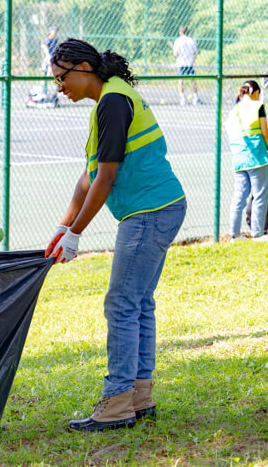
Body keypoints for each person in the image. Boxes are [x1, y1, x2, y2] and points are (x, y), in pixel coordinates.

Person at [45, 39, 186, 432]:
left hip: (149, 212)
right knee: (138, 302)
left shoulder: (111, 102)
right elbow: (89, 175)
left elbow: (105, 180)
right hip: (160, 207)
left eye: (62, 77)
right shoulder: (111, 98)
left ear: (84, 68)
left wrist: (75, 235)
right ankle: (139, 396)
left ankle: (118, 402)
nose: (59, 87)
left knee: (122, 303)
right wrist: (63, 226)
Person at [226, 80, 268, 242]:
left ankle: (234, 235)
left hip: (239, 159)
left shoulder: (233, 111)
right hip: (257, 157)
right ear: (255, 92)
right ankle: (258, 234)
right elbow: (265, 132)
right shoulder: (257, 106)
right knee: (260, 196)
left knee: (239, 197)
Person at [171, 26, 199, 106]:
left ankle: (183, 99)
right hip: (189, 64)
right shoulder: (192, 40)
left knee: (180, 81)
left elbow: (175, 54)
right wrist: (192, 60)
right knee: (193, 80)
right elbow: (195, 53)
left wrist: (174, 51)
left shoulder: (178, 41)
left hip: (181, 64)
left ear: (180, 32)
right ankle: (195, 98)